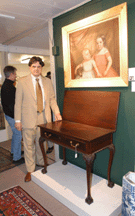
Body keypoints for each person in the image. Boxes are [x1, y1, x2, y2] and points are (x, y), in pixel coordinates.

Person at [15, 56, 62, 182]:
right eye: (34, 66)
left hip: (43, 117)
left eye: (39, 67)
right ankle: (30, 170)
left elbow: (52, 99)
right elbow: (18, 103)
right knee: (29, 145)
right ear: (30, 67)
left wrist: (57, 113)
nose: (36, 69)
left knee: (42, 143)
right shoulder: (22, 82)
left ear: (42, 68)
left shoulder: (47, 81)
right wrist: (17, 120)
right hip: (27, 118)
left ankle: (41, 162)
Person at [1, 66, 24, 164]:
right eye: (15, 74)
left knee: (15, 135)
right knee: (18, 135)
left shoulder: (6, 85)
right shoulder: (10, 87)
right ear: (11, 75)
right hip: (12, 116)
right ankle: (17, 158)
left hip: (8, 115)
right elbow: (12, 105)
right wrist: (17, 119)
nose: (15, 76)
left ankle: (14, 151)